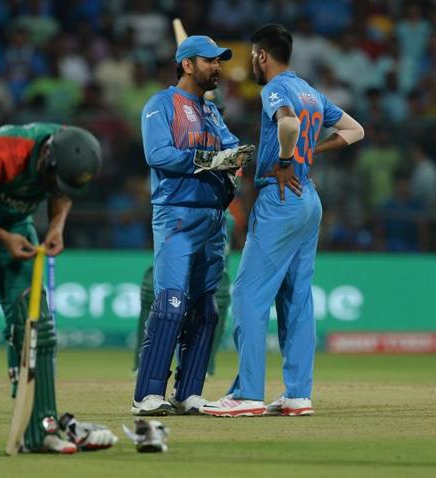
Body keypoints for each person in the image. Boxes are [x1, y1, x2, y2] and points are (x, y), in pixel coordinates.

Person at [201, 24, 364, 417]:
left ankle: (247, 394)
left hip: (281, 197)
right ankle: (297, 395)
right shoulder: (311, 90)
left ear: (260, 55)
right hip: (309, 198)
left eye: (252, 57)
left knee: (247, 295)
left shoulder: (275, 89)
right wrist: (310, 155)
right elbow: (354, 131)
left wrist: (288, 160)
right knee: (297, 299)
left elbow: (288, 124)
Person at [0, 123, 117, 454]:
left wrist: (57, 227)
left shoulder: (66, 155)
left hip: (16, 223)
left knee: (36, 324)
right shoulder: (3, 151)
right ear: (45, 157)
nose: (57, 188)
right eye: (54, 179)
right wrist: (3, 238)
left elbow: (61, 193)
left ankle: (41, 430)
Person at [132, 35, 254, 416]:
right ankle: (147, 395)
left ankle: (189, 393)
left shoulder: (212, 111)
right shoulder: (161, 105)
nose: (218, 67)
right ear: (188, 65)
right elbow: (158, 154)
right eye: (210, 61)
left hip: (214, 219)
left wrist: (234, 159)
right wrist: (211, 160)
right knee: (171, 303)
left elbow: (233, 150)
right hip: (177, 215)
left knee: (207, 308)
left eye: (219, 61)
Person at [132, 210, 235, 376]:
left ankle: (203, 367)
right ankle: (145, 363)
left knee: (217, 292)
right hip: (177, 207)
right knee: (156, 290)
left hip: (213, 208)